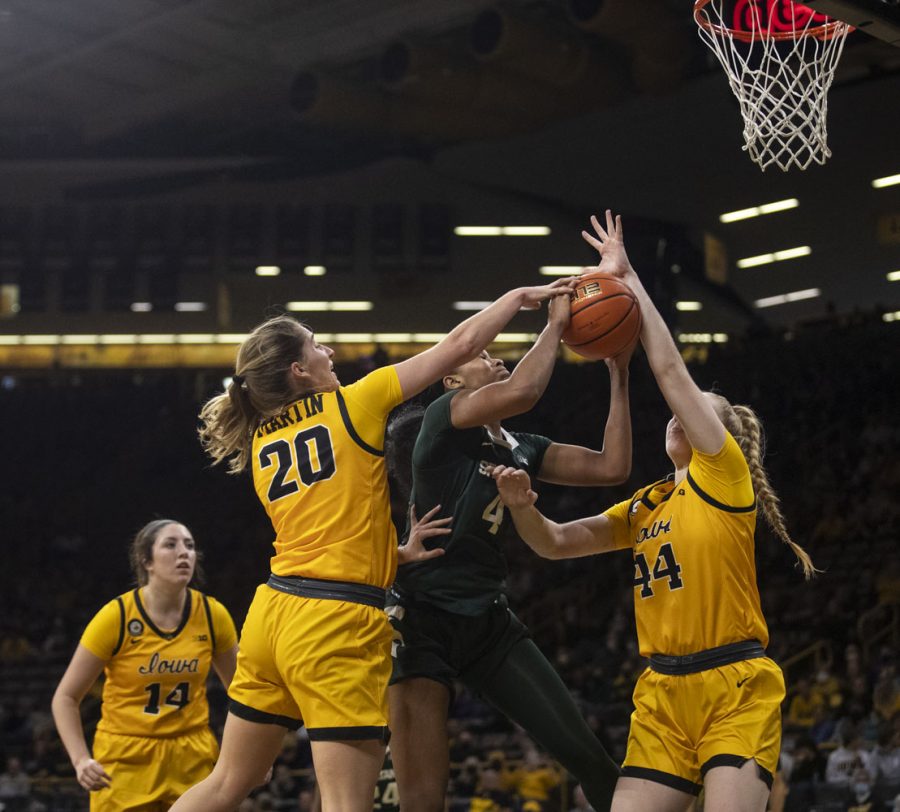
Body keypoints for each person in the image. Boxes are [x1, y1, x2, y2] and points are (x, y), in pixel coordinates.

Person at [169, 279, 576, 812]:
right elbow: (455, 347)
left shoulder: (263, 440)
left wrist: (392, 555)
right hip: (333, 622)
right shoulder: (352, 405)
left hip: (271, 613)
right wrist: (515, 300)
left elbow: (323, 525)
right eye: (316, 346)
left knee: (227, 783)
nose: (329, 351)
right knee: (345, 803)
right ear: (299, 370)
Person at [492, 211, 818, 812]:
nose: (680, 411)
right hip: (661, 694)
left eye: (699, 407)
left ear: (718, 431)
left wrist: (628, 276)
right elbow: (557, 544)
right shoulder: (647, 504)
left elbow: (669, 372)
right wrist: (521, 507)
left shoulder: (725, 477)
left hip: (735, 686)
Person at [385, 291, 632, 812]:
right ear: (452, 380)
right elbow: (524, 390)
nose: (495, 357)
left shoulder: (523, 447)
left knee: (592, 761)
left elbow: (612, 467)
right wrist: (556, 326)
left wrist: (619, 375)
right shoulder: (442, 419)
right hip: (420, 624)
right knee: (423, 801)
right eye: (482, 355)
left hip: (488, 624)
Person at [51, 519, 238, 811]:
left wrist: (249, 755)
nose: (184, 553)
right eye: (170, 544)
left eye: (189, 546)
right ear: (145, 560)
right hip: (125, 760)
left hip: (192, 755)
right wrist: (80, 759)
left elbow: (243, 692)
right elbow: (65, 697)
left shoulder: (214, 615)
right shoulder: (116, 617)